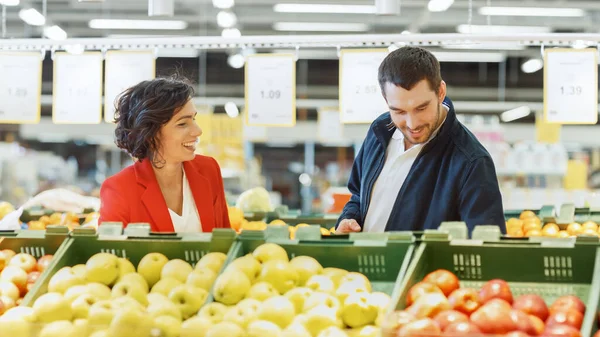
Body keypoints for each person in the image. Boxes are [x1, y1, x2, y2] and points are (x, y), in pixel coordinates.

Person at [336, 46, 505, 234]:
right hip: (365, 261)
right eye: (399, 111)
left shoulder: (471, 162)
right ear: (386, 100)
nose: (412, 124)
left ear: (440, 92)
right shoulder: (379, 131)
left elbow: (486, 243)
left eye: (421, 108)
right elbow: (358, 195)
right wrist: (349, 218)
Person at [98, 76, 230, 233]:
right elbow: (112, 255)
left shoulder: (209, 170)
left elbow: (225, 242)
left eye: (194, 119)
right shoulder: (119, 190)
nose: (198, 131)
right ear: (149, 133)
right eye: (182, 124)